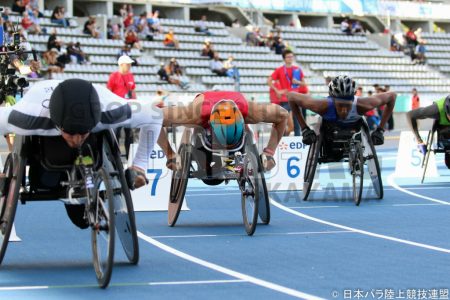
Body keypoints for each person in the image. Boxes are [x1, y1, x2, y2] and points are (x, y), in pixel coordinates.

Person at [0, 79, 162, 189]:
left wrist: (139, 166)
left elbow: (155, 114)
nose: (77, 139)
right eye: (70, 133)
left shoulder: (111, 112)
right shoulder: (27, 118)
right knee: (46, 181)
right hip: (42, 107)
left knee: (81, 221)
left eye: (83, 132)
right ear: (58, 125)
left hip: (96, 101)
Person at [158, 91, 288, 172]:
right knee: (205, 166)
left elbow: (283, 115)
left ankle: (235, 156)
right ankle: (209, 155)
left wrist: (269, 152)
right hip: (204, 106)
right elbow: (153, 119)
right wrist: (170, 154)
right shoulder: (193, 115)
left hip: (237, 103)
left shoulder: (253, 113)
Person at [287, 75, 396, 148]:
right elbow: (291, 96)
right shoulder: (321, 105)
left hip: (354, 126)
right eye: (340, 105)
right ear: (332, 100)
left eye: (348, 106)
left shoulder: (363, 104)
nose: (344, 110)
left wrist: (380, 130)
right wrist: (304, 129)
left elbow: (392, 96)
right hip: (328, 128)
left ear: (353, 100)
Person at [267, 49, 307, 136]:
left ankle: (297, 142)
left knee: (297, 124)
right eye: (288, 57)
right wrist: (277, 90)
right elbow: (269, 80)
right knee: (283, 121)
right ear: (284, 58)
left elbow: (304, 83)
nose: (290, 58)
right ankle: (282, 141)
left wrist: (298, 82)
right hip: (285, 98)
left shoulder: (297, 69)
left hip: (296, 98)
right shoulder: (280, 70)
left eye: (292, 56)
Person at [406, 96, 450, 168]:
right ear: (446, 111)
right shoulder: (436, 110)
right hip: (443, 131)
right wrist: (419, 141)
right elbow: (410, 115)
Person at [107, 55, 137, 158]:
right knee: (117, 134)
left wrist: (135, 103)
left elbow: (132, 90)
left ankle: (129, 157)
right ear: (121, 64)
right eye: (127, 64)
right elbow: (109, 91)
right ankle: (115, 157)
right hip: (117, 108)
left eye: (130, 64)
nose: (129, 66)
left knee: (129, 135)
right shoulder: (114, 76)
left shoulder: (130, 75)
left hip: (128, 107)